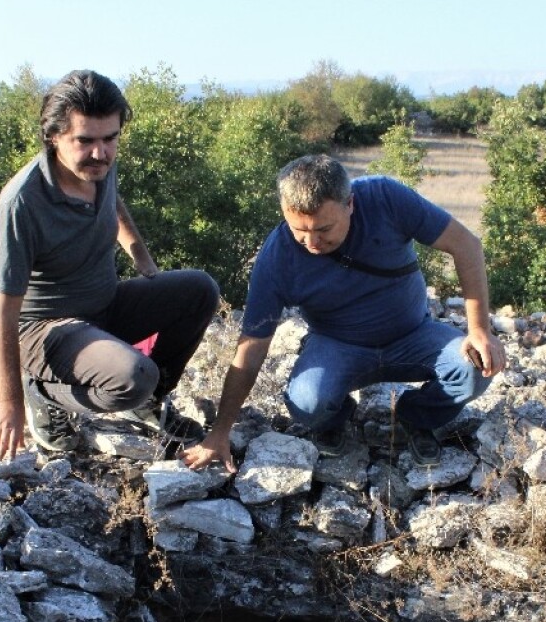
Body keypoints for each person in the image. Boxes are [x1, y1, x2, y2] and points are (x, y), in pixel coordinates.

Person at [182, 154, 504, 472]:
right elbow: (250, 349)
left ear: (350, 203)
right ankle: (338, 417)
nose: (311, 243)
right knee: (307, 404)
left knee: (474, 366)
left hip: (413, 335)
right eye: (299, 230)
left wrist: (479, 330)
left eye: (323, 229)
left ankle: (416, 417)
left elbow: (466, 245)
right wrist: (220, 433)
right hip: (338, 344)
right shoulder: (277, 258)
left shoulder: (385, 198)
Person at [0, 69, 219, 460]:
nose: (101, 153)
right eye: (85, 141)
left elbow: (114, 203)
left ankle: (147, 401)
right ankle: (43, 394)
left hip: (104, 306)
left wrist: (143, 260)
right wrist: (7, 404)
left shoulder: (97, 168)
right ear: (53, 137)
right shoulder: (22, 203)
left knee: (200, 290)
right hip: (46, 330)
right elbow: (2, 312)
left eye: (110, 138)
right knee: (133, 376)